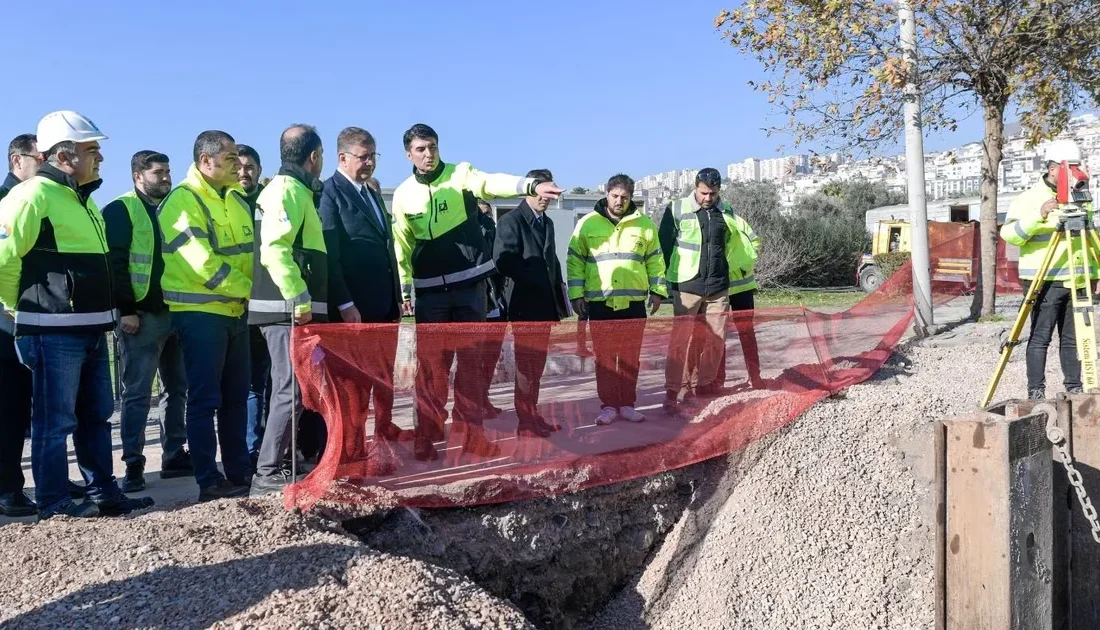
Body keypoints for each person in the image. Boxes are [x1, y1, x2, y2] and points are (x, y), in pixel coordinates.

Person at [0, 110, 153, 519]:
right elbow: (3, 259)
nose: (100, 158)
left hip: (90, 329)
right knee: (54, 424)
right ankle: (54, 504)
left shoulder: (82, 201)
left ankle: (104, 492)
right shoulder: (32, 195)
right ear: (64, 156)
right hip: (51, 331)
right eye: (92, 150)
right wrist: (20, 311)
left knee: (96, 416)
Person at [392, 123, 562, 461]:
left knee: (471, 370)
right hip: (430, 295)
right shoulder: (402, 194)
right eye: (421, 149)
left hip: (470, 289)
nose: (429, 154)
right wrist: (405, 287)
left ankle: (472, 437)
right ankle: (426, 434)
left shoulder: (460, 175)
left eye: (433, 147)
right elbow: (401, 245)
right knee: (432, 372)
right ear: (408, 154)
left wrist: (528, 184)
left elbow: (491, 182)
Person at [158, 130, 255, 502]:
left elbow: (250, 252)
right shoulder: (181, 201)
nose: (238, 164)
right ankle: (207, 479)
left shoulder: (235, 198)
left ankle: (239, 471)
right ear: (206, 161)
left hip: (235, 312)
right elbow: (202, 263)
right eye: (230, 158)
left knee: (235, 397)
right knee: (204, 399)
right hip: (200, 313)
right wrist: (251, 289)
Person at [102, 151, 191, 492]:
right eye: (159, 172)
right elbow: (116, 263)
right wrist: (126, 309)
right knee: (137, 392)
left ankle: (173, 455)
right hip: (141, 317)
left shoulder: (173, 210)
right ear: (139, 176)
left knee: (176, 388)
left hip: (176, 312)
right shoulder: (121, 209)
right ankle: (133, 463)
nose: (166, 177)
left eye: (168, 171)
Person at [247, 125, 328, 496]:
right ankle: (268, 472)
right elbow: (275, 250)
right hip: (285, 311)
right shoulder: (286, 191)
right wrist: (299, 299)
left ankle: (280, 466)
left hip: (288, 309)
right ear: (314, 157)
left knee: (292, 389)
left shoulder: (293, 191)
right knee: (288, 390)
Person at [318, 127, 404, 448]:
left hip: (383, 306)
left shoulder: (371, 193)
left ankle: (384, 430)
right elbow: (331, 254)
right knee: (355, 384)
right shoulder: (330, 193)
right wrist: (344, 303)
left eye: (373, 156)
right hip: (354, 307)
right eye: (363, 156)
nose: (369, 163)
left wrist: (396, 299)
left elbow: (385, 247)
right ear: (343, 157)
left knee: (383, 374)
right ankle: (352, 444)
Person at [567, 174, 666, 426]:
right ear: (606, 194)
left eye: (624, 197)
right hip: (600, 304)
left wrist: (657, 292)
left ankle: (627, 404)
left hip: (633, 305)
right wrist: (576, 295)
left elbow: (655, 260)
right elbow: (575, 261)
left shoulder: (644, 224)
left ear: (631, 198)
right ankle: (608, 406)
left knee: (631, 357)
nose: (619, 201)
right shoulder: (588, 224)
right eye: (615, 196)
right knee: (606, 358)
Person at [659, 168, 760, 414]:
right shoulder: (676, 209)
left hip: (718, 288)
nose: (708, 198)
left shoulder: (726, 211)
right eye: (704, 193)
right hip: (687, 287)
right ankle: (674, 391)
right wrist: (663, 286)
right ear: (695, 187)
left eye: (713, 194)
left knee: (715, 340)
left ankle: (701, 387)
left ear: (719, 191)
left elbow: (738, 243)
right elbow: (663, 249)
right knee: (681, 341)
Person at [1001, 138, 1094, 400]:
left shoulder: (1080, 197)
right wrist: (1039, 214)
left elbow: (1088, 239)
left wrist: (1095, 274)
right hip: (1042, 279)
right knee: (1041, 337)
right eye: (1071, 167)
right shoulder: (1028, 199)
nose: (1076, 172)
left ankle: (1074, 389)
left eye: (1078, 166)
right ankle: (1036, 391)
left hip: (1075, 278)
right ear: (1053, 169)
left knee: (1072, 339)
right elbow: (1010, 235)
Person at [493, 169, 569, 437]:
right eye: (543, 191)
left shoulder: (546, 223)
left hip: (545, 305)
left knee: (536, 367)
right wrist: (534, 275)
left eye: (551, 192)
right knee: (526, 367)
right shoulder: (511, 221)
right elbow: (502, 260)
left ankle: (532, 416)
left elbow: (553, 263)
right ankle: (525, 423)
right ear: (530, 189)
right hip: (525, 304)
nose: (547, 198)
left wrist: (561, 299)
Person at [0, 134, 40, 516]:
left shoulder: (41, 201)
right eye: (40, 158)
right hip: (8, 322)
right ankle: (8, 488)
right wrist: (14, 309)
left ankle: (38, 478)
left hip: (29, 319)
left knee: (29, 405)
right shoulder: (8, 202)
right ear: (18, 161)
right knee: (9, 407)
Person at [237, 144, 269, 466]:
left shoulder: (268, 200)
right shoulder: (226, 202)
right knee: (243, 383)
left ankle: (260, 446)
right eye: (240, 166)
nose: (244, 172)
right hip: (234, 304)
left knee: (263, 380)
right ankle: (246, 447)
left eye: (250, 167)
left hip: (267, 304)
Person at [476, 198, 505, 418]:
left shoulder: (492, 228)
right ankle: (474, 402)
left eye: (488, 214)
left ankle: (483, 399)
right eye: (482, 214)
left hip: (495, 303)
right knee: (474, 359)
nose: (487, 220)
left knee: (490, 357)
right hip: (476, 304)